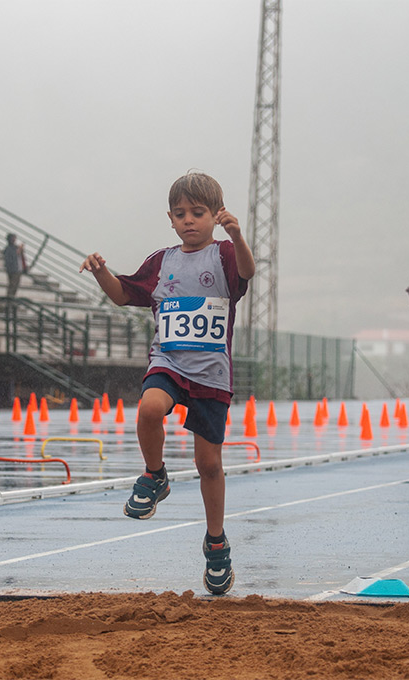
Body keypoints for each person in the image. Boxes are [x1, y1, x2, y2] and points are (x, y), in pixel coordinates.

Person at [79, 172, 254, 595]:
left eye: (198, 213)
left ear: (215, 215)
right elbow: (123, 294)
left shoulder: (225, 255)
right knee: (149, 408)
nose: (189, 221)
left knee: (208, 464)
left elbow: (247, 274)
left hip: (211, 371)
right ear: (170, 220)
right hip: (170, 361)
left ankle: (216, 543)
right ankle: (155, 475)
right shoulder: (163, 262)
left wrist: (239, 235)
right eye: (180, 214)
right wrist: (100, 271)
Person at [3, 234, 27, 298]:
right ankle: (9, 298)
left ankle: (11, 297)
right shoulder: (8, 249)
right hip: (13, 270)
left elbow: (21, 258)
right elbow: (11, 259)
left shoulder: (15, 248)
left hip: (17, 269)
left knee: (15, 285)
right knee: (12, 285)